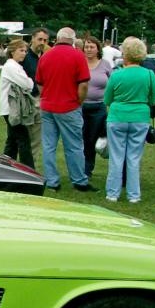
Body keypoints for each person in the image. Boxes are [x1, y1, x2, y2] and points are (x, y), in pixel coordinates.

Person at [36, 27, 96, 192]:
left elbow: (39, 82)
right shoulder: (78, 56)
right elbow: (83, 84)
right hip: (69, 106)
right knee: (74, 145)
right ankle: (79, 180)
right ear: (73, 39)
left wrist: (46, 97)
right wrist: (79, 101)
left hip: (48, 106)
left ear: (57, 38)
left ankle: (52, 180)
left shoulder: (46, 56)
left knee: (49, 145)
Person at [102, 37, 155, 203]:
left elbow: (107, 99)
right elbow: (154, 99)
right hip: (140, 117)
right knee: (134, 157)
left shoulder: (117, 74)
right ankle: (134, 195)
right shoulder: (148, 74)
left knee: (116, 157)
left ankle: (112, 193)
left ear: (125, 54)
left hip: (118, 116)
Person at [0, 39, 37, 169]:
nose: (24, 53)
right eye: (21, 50)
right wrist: (29, 82)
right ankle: (29, 169)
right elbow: (28, 84)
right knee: (23, 140)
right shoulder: (11, 67)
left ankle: (5, 167)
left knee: (13, 141)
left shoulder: (15, 66)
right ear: (12, 51)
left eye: (25, 51)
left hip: (11, 109)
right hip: (11, 109)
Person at [81, 36, 113, 178]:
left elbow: (113, 83)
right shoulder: (79, 63)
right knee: (81, 138)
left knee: (93, 139)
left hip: (99, 107)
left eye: (91, 47)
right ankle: (81, 168)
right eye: (86, 47)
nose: (88, 49)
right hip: (81, 106)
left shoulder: (105, 64)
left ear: (98, 49)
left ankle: (88, 167)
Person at [23, 27, 50, 166]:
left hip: (40, 101)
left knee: (35, 140)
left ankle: (30, 168)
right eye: (40, 39)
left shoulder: (44, 58)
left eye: (45, 40)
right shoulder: (25, 57)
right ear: (32, 38)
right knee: (24, 139)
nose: (42, 43)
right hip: (27, 100)